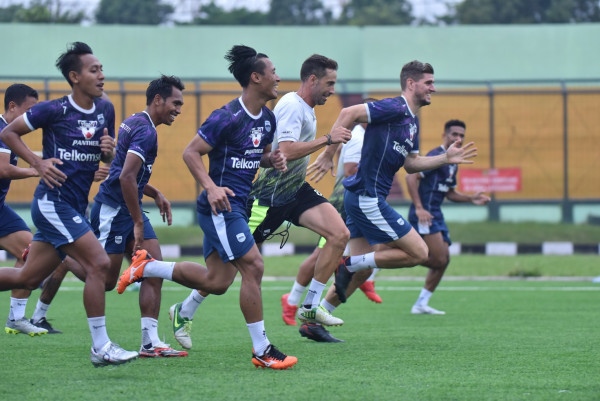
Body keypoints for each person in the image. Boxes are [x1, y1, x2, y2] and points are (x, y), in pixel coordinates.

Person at [116, 45, 297, 370]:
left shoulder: (268, 119)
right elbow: (190, 152)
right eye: (273, 72)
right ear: (255, 77)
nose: (278, 77)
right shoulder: (227, 116)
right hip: (220, 206)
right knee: (254, 266)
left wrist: (275, 159)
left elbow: (263, 156)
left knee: (217, 282)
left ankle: (147, 269)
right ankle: (262, 350)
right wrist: (211, 187)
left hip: (239, 205)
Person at [167, 54, 352, 349]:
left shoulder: (298, 109)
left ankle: (310, 306)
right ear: (313, 80)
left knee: (339, 233)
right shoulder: (290, 106)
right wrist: (327, 141)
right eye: (329, 83)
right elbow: (288, 150)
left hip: (294, 192)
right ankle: (184, 309)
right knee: (222, 277)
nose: (332, 90)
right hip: (267, 199)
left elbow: (274, 154)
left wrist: (278, 157)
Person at [0, 42, 138, 367]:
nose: (102, 75)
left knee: (28, 279)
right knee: (100, 264)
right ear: (75, 77)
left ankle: (99, 346)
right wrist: (37, 163)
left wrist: (107, 151)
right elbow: (9, 134)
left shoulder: (105, 109)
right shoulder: (53, 110)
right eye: (94, 70)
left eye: (102, 69)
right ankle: (101, 347)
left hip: (74, 206)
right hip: (53, 203)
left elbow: (103, 157)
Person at [312, 60, 477, 315]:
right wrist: (328, 153)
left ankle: (317, 315)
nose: (434, 88)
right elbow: (348, 114)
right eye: (429, 83)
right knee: (419, 252)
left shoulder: (412, 123)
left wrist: (444, 158)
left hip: (360, 197)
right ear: (411, 84)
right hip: (367, 198)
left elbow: (411, 164)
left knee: (364, 269)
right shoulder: (394, 107)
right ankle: (347, 264)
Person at [89, 75, 188, 357]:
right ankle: (59, 256)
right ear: (158, 99)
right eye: (175, 103)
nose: (178, 109)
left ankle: (150, 341)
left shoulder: (134, 120)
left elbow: (124, 170)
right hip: (113, 209)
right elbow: (125, 177)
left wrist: (154, 193)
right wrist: (137, 221)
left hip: (127, 207)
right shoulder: (146, 131)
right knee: (106, 281)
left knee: (153, 269)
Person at [282, 98, 383, 344]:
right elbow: (350, 170)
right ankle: (293, 300)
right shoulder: (360, 137)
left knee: (357, 255)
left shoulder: (362, 135)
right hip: (343, 202)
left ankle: (361, 276)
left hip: (354, 201)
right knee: (322, 255)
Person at [406, 119, 490, 314]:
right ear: (444, 135)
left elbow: (450, 193)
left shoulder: (454, 161)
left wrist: (471, 199)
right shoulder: (436, 156)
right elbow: (410, 177)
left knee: (444, 260)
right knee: (438, 259)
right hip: (425, 214)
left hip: (437, 213)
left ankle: (421, 303)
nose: (458, 138)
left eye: (462, 135)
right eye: (454, 134)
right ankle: (393, 254)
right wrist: (419, 207)